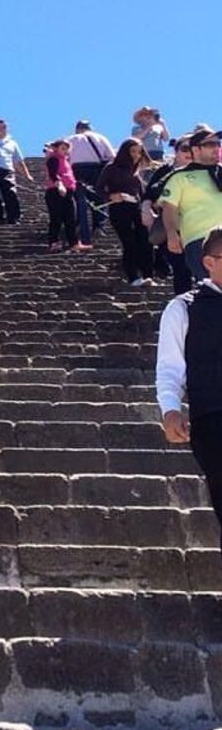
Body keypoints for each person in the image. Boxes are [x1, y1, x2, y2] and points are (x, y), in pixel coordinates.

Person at [156, 225, 222, 558]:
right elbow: (170, 365)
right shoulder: (184, 307)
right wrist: (170, 408)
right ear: (208, 262)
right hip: (214, 419)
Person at [161, 128, 222, 281]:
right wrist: (171, 233)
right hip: (200, 240)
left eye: (218, 143)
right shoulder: (179, 177)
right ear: (195, 149)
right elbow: (169, 208)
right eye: (210, 144)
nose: (216, 147)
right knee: (214, 288)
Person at [97, 138, 154, 286]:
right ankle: (133, 277)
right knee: (129, 243)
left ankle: (148, 276)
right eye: (133, 151)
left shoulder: (136, 171)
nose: (136, 155)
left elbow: (141, 193)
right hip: (119, 209)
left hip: (137, 208)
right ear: (124, 152)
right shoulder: (111, 168)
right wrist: (110, 196)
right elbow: (98, 188)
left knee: (145, 241)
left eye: (139, 152)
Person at [145, 136, 193, 294]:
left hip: (201, 227)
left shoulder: (209, 170)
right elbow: (149, 193)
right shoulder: (166, 171)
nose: (189, 152)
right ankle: (184, 306)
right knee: (181, 268)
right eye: (185, 149)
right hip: (173, 227)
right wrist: (146, 208)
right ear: (176, 151)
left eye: (193, 148)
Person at [68, 120, 115, 245]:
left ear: (77, 129)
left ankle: (78, 223)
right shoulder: (100, 138)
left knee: (77, 199)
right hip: (96, 169)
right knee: (99, 197)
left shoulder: (71, 139)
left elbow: (64, 157)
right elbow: (112, 157)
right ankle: (98, 226)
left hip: (76, 169)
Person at [43, 139, 79, 252]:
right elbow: (53, 173)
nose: (65, 151)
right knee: (56, 218)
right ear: (56, 148)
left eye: (67, 149)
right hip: (56, 191)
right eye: (63, 148)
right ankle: (54, 242)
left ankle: (73, 243)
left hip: (68, 191)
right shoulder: (53, 159)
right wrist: (60, 185)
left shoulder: (65, 160)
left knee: (71, 218)